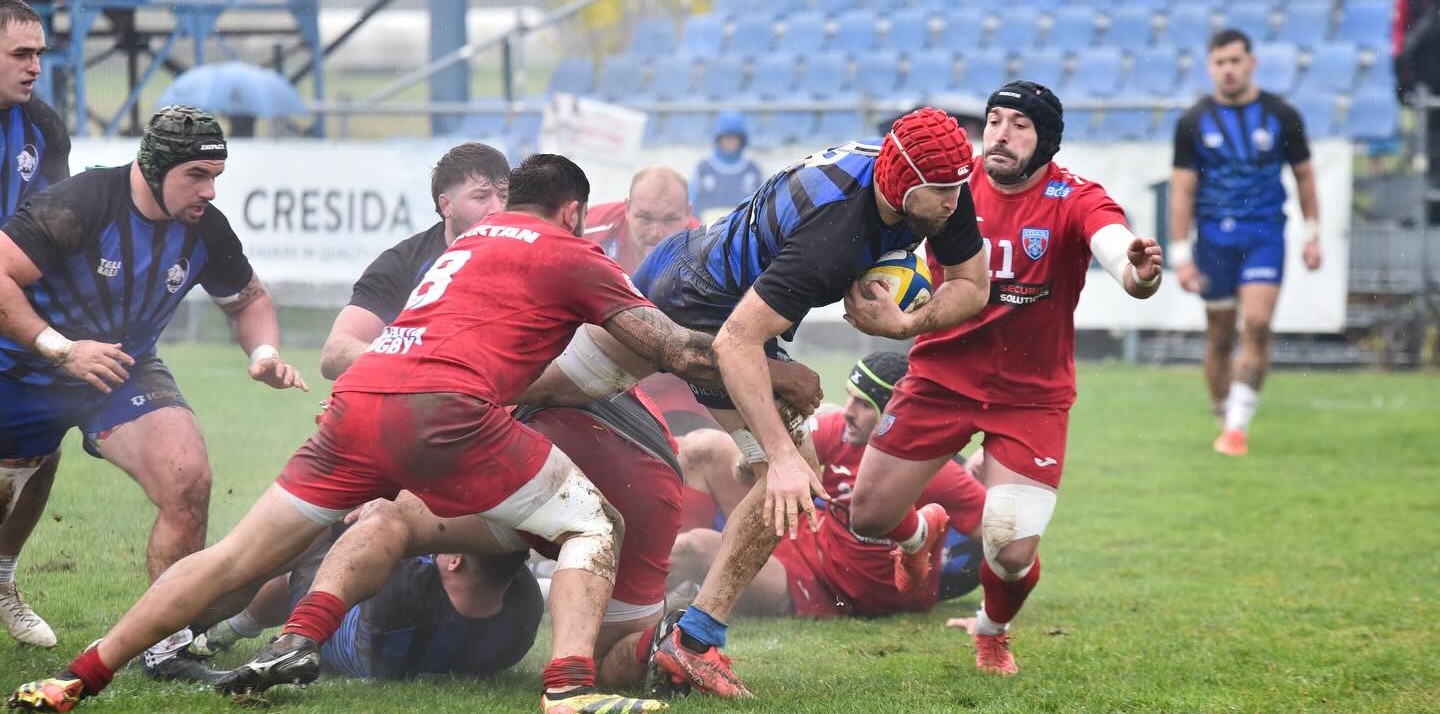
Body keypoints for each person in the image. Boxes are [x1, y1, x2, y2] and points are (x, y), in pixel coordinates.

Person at [3, 154, 753, 714]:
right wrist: (771, 373)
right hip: (446, 411)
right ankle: (570, 690)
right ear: (574, 213)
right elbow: (676, 350)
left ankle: (79, 675)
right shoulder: (570, 249)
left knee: (235, 555)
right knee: (594, 523)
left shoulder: (458, 245)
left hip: (360, 397)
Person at [605, 106, 989, 698]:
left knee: (565, 395)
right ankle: (685, 640)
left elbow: (972, 284)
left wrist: (905, 323)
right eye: (942, 191)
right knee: (790, 472)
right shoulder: (834, 231)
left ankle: (684, 635)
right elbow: (736, 340)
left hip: (716, 289)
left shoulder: (932, 185)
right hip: (696, 301)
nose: (954, 201)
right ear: (905, 181)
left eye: (958, 185)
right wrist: (779, 453)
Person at [845, 80, 1164, 677]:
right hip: (940, 377)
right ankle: (919, 536)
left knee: (1012, 551)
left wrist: (1137, 271)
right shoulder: (951, 183)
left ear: (1046, 142)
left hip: (1029, 398)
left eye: (1020, 125)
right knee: (867, 517)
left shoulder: (1073, 197)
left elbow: (1116, 248)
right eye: (995, 120)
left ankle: (993, 632)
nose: (1001, 134)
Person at [0, 105, 306, 675]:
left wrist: (263, 353)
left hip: (122, 372)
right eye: (196, 175)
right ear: (153, 167)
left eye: (216, 176)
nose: (210, 191)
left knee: (188, 480)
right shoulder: (82, 203)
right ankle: (3, 582)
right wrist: (61, 349)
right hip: (21, 370)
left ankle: (164, 646)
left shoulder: (204, 228)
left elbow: (249, 300)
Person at [215, 389, 688, 696]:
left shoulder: (411, 608)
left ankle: (251, 631)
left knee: (357, 517)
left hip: (543, 442)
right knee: (612, 658)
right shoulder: (519, 616)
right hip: (653, 470)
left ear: (457, 559)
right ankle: (637, 656)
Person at [668, 351, 986, 620]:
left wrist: (993, 619)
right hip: (811, 538)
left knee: (693, 549)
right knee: (701, 447)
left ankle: (637, 602)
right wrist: (755, 455)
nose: (847, 412)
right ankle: (680, 585)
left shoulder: (935, 471)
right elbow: (746, 474)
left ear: (896, 414)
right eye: (850, 398)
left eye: (863, 405)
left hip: (820, 587)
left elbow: (1004, 542)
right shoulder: (840, 430)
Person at [1170, 29, 1321, 457]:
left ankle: (1237, 428)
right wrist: (1180, 254)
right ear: (1209, 68)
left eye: (1236, 60)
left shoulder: (1281, 114)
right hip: (1213, 239)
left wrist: (1312, 234)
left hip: (1265, 235)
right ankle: (1225, 415)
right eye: (1220, 63)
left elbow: (1305, 176)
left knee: (1255, 323)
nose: (1229, 69)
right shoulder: (1193, 122)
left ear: (1251, 62)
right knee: (1219, 336)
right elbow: (1182, 191)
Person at [196, 533, 544, 682]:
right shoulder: (524, 615)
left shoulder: (405, 587)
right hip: (422, 651)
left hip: (351, 648)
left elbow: (367, 544)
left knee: (307, 549)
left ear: (455, 561)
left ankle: (226, 631)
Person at [0, 0, 74, 650]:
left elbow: (59, 225)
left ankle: (4, 578)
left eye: (40, 53)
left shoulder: (43, 127)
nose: (35, 66)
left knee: (42, 444)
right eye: (21, 54)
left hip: (11, 310)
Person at [319, 142, 510, 380]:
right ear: (446, 205)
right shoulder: (403, 264)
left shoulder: (534, 255)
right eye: (481, 197)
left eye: (504, 197)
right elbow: (335, 354)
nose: (497, 209)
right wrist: (420, 363)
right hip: (431, 401)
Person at [582, 166, 719, 436]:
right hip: (595, 383)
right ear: (627, 208)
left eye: (670, 219)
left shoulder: (708, 254)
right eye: (644, 217)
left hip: (674, 389)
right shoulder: (587, 230)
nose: (656, 232)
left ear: (687, 213)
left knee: (696, 453)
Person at [689, 111, 764, 223]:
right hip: (708, 233)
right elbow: (691, 204)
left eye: (734, 137)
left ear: (742, 139)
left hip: (742, 233)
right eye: (726, 137)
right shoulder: (703, 168)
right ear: (718, 138)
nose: (730, 141)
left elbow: (762, 206)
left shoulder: (753, 170)